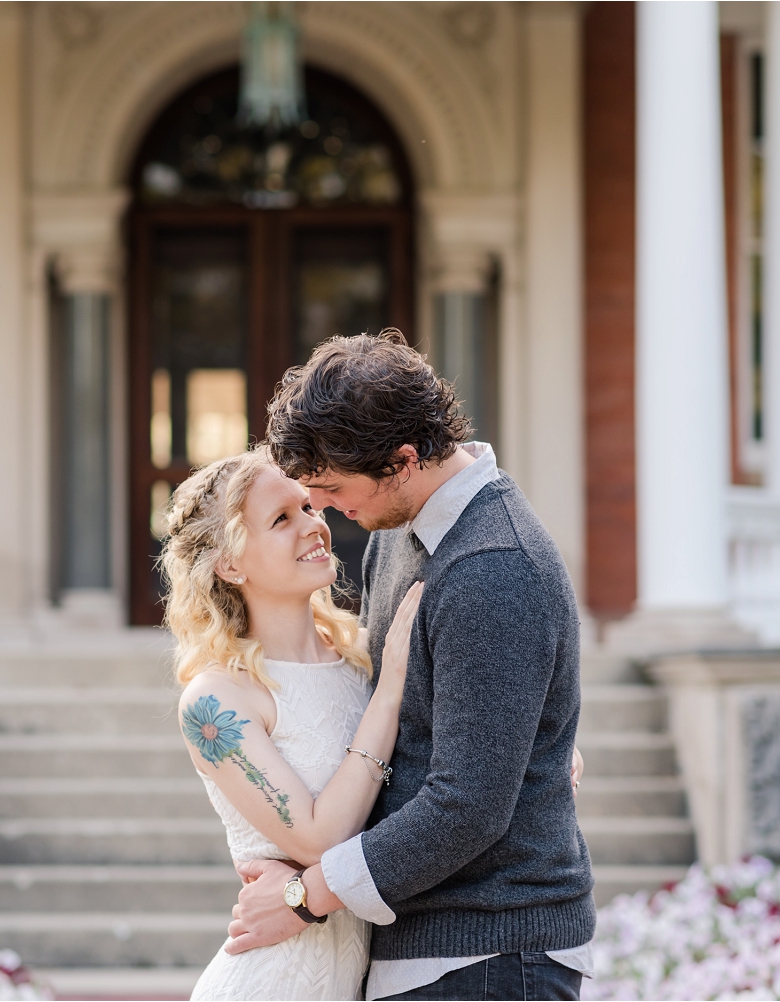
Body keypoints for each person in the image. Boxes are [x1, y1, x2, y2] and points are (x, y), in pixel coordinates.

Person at [224, 330, 596, 1001]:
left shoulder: (493, 565)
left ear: (402, 461)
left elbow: (468, 807)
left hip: (489, 954)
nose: (328, 509)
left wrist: (308, 895)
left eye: (334, 488)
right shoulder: (398, 535)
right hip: (431, 950)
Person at [162, 447, 425, 1001]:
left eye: (309, 507)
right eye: (282, 519)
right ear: (230, 564)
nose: (314, 526)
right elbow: (319, 839)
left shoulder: (361, 657)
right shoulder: (216, 701)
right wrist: (393, 687)